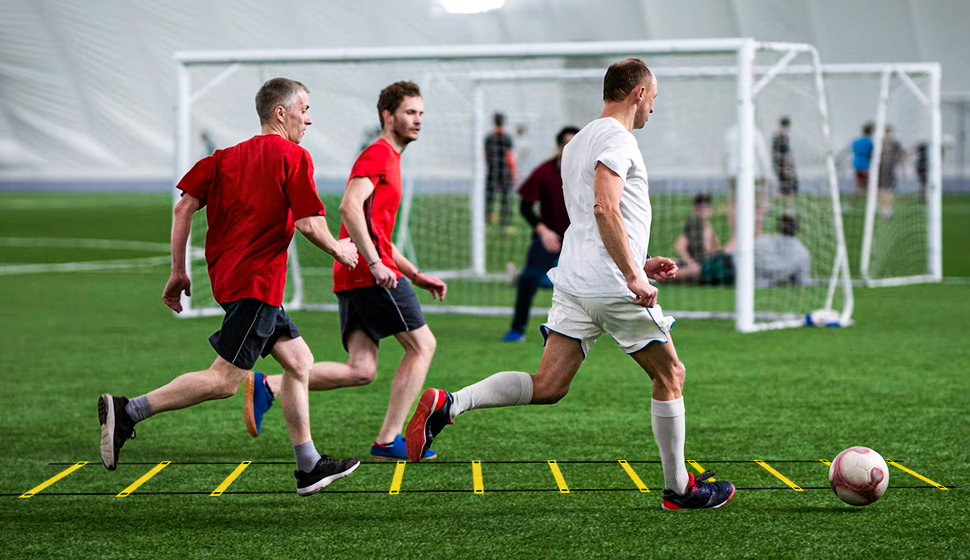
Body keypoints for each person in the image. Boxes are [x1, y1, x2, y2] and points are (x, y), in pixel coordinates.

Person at [405, 59, 736, 510]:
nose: (652, 111)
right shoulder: (619, 139)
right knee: (670, 373)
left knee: (549, 385)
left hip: (576, 279)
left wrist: (639, 259)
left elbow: (590, 215)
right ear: (638, 93)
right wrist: (632, 273)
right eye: (653, 100)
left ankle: (450, 404)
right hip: (609, 283)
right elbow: (604, 208)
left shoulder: (578, 140)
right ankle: (680, 489)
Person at [98, 78, 361, 496]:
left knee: (299, 361)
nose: (308, 119)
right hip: (257, 285)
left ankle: (309, 464)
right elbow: (309, 223)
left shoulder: (221, 158)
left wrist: (179, 271)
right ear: (281, 113)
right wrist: (340, 251)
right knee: (224, 381)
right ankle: (129, 410)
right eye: (304, 109)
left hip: (230, 282)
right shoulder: (293, 156)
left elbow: (183, 206)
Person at [249, 81, 448, 462]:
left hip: (357, 274)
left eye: (421, 113)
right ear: (387, 117)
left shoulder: (390, 158)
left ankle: (269, 386)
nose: (418, 120)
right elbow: (349, 207)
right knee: (423, 346)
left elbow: (381, 235)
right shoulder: (378, 154)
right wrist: (375, 263)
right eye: (409, 112)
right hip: (368, 274)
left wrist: (416, 274)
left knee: (361, 369)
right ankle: (389, 440)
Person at [503, 125, 579, 343]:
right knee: (528, 278)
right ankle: (517, 330)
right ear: (558, 147)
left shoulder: (592, 173)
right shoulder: (544, 172)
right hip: (550, 237)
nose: (570, 149)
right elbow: (525, 206)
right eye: (566, 144)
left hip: (582, 239)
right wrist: (543, 230)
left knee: (603, 280)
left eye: (575, 145)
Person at [724, 122, 773, 240]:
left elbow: (725, 155)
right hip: (755, 174)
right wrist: (769, 174)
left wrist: (727, 172)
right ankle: (757, 233)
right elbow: (763, 154)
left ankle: (735, 235)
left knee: (734, 203)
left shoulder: (730, 132)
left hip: (733, 173)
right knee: (759, 205)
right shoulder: (754, 132)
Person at [673, 193, 733, 285]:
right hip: (699, 264)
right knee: (698, 271)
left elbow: (714, 248)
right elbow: (680, 246)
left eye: (707, 207)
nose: (705, 211)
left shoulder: (706, 225)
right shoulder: (695, 225)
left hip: (708, 263)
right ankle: (663, 277)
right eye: (702, 208)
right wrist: (690, 263)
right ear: (696, 209)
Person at [754, 215, 810, 287]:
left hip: (750, 278)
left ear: (779, 227)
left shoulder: (762, 241)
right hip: (772, 281)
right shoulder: (803, 252)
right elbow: (801, 279)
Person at [485, 112, 517, 226]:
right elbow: (509, 157)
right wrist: (513, 173)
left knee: (490, 197)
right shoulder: (506, 138)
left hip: (492, 170)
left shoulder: (489, 138)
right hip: (504, 171)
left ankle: (487, 219)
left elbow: (486, 156)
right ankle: (505, 222)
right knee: (505, 198)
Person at [877, 126, 906, 218]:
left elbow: (903, 154)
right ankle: (882, 208)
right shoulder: (879, 143)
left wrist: (898, 162)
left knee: (888, 189)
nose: (887, 135)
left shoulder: (895, 144)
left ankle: (888, 209)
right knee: (879, 190)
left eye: (888, 133)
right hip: (879, 170)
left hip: (890, 169)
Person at [772, 116, 798, 211]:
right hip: (783, 166)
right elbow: (783, 154)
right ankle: (788, 208)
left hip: (780, 165)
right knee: (787, 188)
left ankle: (789, 207)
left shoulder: (777, 135)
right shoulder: (781, 136)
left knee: (787, 189)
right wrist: (786, 168)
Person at [851, 122, 875, 202]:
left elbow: (854, 151)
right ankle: (878, 205)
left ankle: (850, 203)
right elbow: (872, 155)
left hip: (856, 165)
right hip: (865, 166)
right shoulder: (870, 142)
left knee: (859, 186)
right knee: (870, 186)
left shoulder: (856, 141)